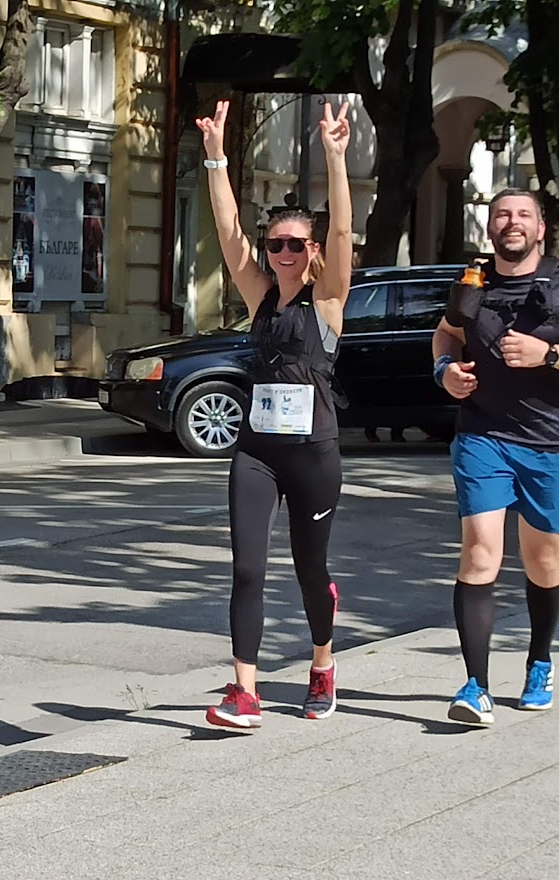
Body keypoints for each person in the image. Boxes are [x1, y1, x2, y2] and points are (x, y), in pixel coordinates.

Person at [431, 190, 559, 727]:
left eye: (522, 215)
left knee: (544, 562)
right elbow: (446, 334)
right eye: (502, 215)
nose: (511, 223)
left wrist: (552, 354)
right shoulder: (473, 281)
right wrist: (445, 371)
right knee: (479, 553)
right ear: (490, 227)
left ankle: (539, 659)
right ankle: (475, 686)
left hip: (550, 443)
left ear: (541, 229)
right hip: (482, 436)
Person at [196, 98, 355, 729]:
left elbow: (342, 232)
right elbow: (229, 235)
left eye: (294, 244)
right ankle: (246, 693)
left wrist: (336, 159)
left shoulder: (329, 301)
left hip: (313, 453)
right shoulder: (260, 295)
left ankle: (322, 662)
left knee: (310, 568)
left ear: (312, 251)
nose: (282, 252)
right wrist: (215, 157)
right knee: (246, 566)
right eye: (276, 244)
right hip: (258, 451)